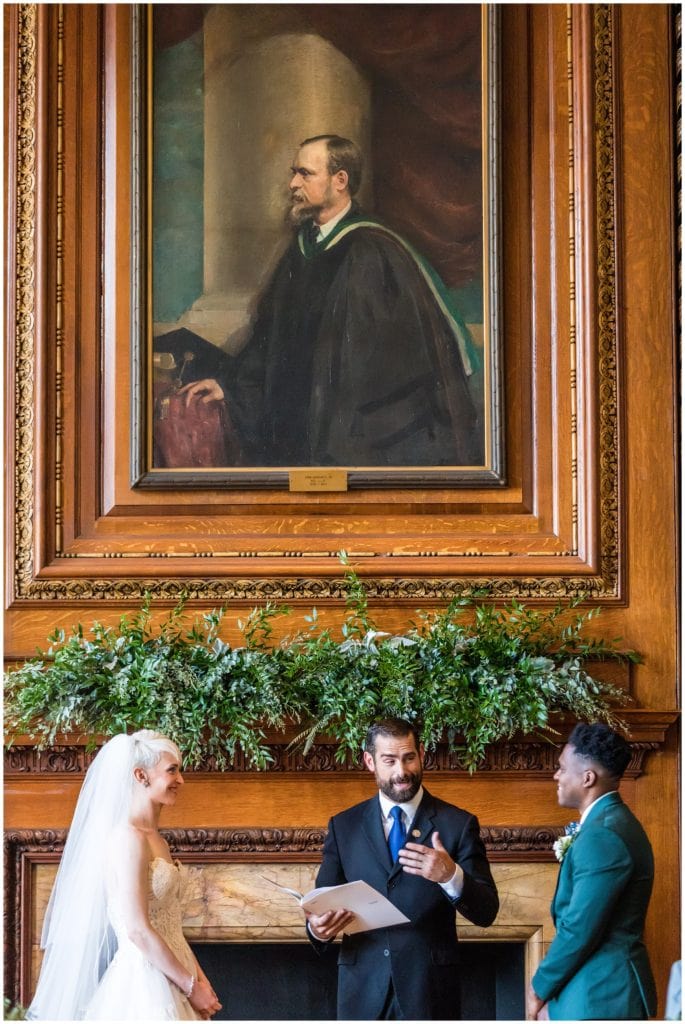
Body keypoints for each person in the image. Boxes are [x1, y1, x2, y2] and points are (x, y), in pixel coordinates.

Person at [168, 134, 482, 468]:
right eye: (294, 173)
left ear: (340, 180)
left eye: (305, 174)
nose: (292, 183)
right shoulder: (303, 248)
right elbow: (270, 336)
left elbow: (378, 369)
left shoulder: (371, 251)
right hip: (303, 429)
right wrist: (230, 387)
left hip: (358, 437)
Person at [305, 717, 499, 1020]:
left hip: (430, 992)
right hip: (361, 993)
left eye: (409, 758)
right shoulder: (343, 826)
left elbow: (487, 912)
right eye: (390, 760)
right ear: (370, 761)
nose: (402, 771)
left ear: (422, 753)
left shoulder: (457, 824)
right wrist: (317, 930)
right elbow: (322, 902)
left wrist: (450, 876)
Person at [27, 730, 222, 1021]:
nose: (180, 780)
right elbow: (137, 929)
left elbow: (171, 926)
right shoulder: (126, 839)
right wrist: (190, 986)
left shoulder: (157, 840)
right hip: (145, 983)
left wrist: (199, 981)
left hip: (176, 973)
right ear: (141, 776)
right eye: (172, 771)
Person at [527, 723, 657, 1021]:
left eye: (561, 768)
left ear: (588, 778)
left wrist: (537, 989)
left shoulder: (603, 835)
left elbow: (579, 929)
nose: (555, 776)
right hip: (595, 994)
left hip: (600, 997)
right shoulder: (612, 822)